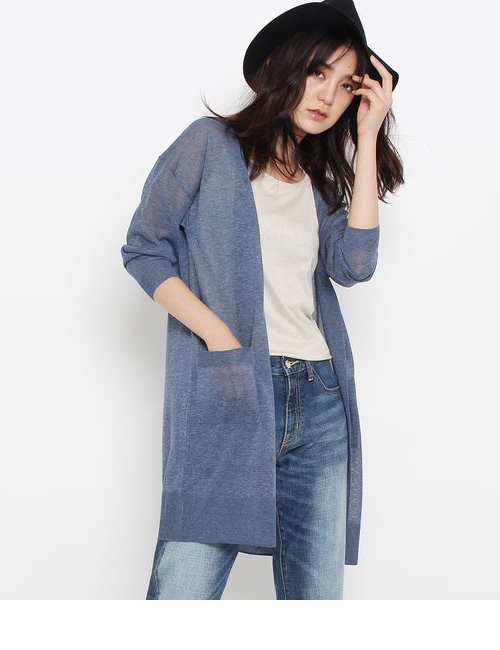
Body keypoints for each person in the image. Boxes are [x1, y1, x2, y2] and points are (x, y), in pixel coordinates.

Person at [121, 0, 403, 600]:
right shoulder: (208, 145)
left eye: (346, 85)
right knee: (183, 591)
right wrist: (219, 335)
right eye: (318, 71)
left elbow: (355, 265)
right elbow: (144, 249)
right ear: (283, 67)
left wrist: (367, 136)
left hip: (320, 399)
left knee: (315, 604)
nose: (327, 95)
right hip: (232, 389)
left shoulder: (321, 181)